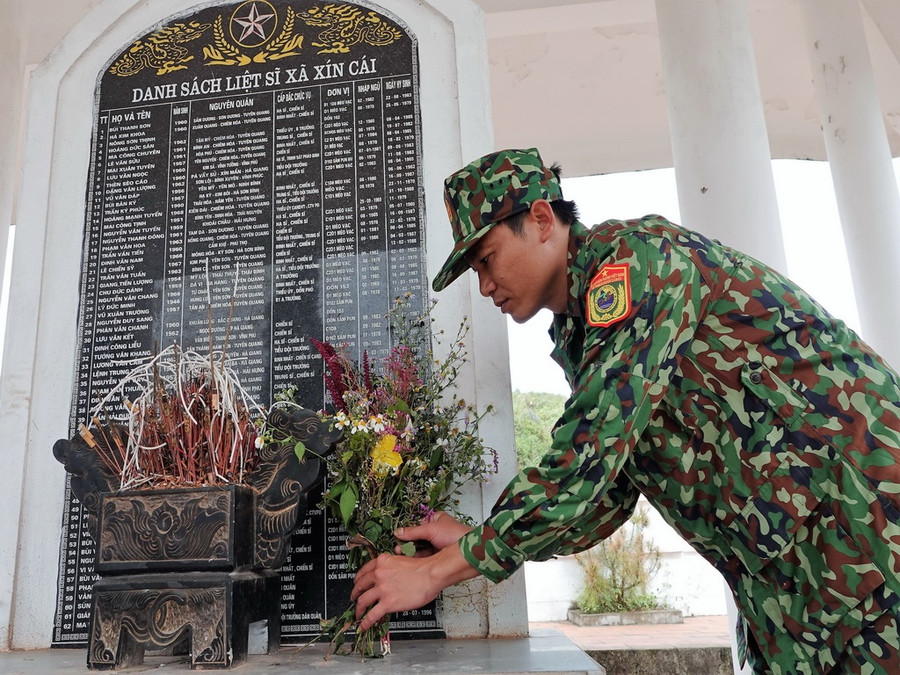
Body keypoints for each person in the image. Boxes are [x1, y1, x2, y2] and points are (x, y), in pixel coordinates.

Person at [350, 147, 900, 673]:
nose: (486, 285)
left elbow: (589, 454)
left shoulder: (636, 262)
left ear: (542, 220)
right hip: (798, 581)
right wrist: (477, 538)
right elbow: (606, 496)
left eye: (488, 259)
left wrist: (437, 573)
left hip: (866, 530)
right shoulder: (580, 329)